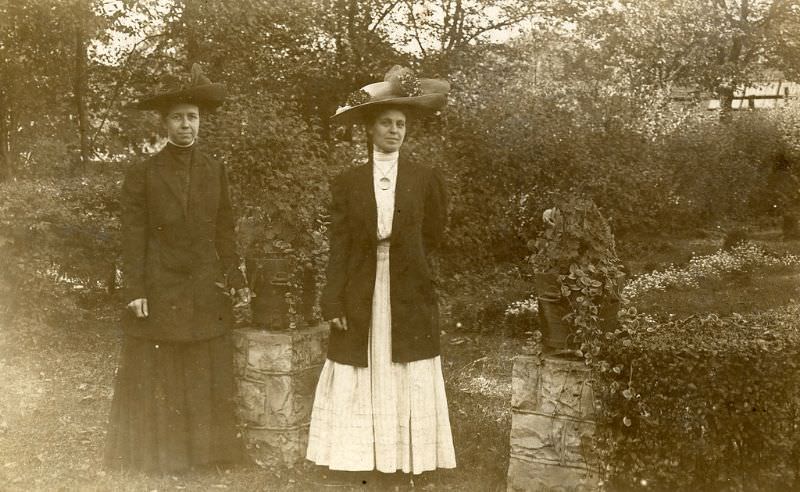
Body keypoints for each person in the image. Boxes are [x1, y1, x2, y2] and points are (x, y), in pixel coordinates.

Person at [306, 66, 456, 485]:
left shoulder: (425, 178)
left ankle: (407, 455)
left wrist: (410, 263)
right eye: (386, 123)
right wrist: (332, 299)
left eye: (401, 124)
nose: (394, 130)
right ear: (370, 129)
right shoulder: (348, 182)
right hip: (360, 282)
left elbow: (434, 235)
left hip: (408, 283)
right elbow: (340, 246)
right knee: (362, 361)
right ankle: (358, 456)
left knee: (405, 361)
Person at [104, 64, 251, 473]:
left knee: (203, 365)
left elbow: (225, 229)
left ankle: (207, 454)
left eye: (193, 117)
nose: (186, 124)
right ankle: (164, 456)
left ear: (200, 122)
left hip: (203, 283)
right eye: (178, 117)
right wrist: (135, 288)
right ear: (164, 123)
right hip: (160, 282)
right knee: (165, 368)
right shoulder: (143, 173)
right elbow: (132, 237)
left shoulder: (214, 169)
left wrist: (236, 277)